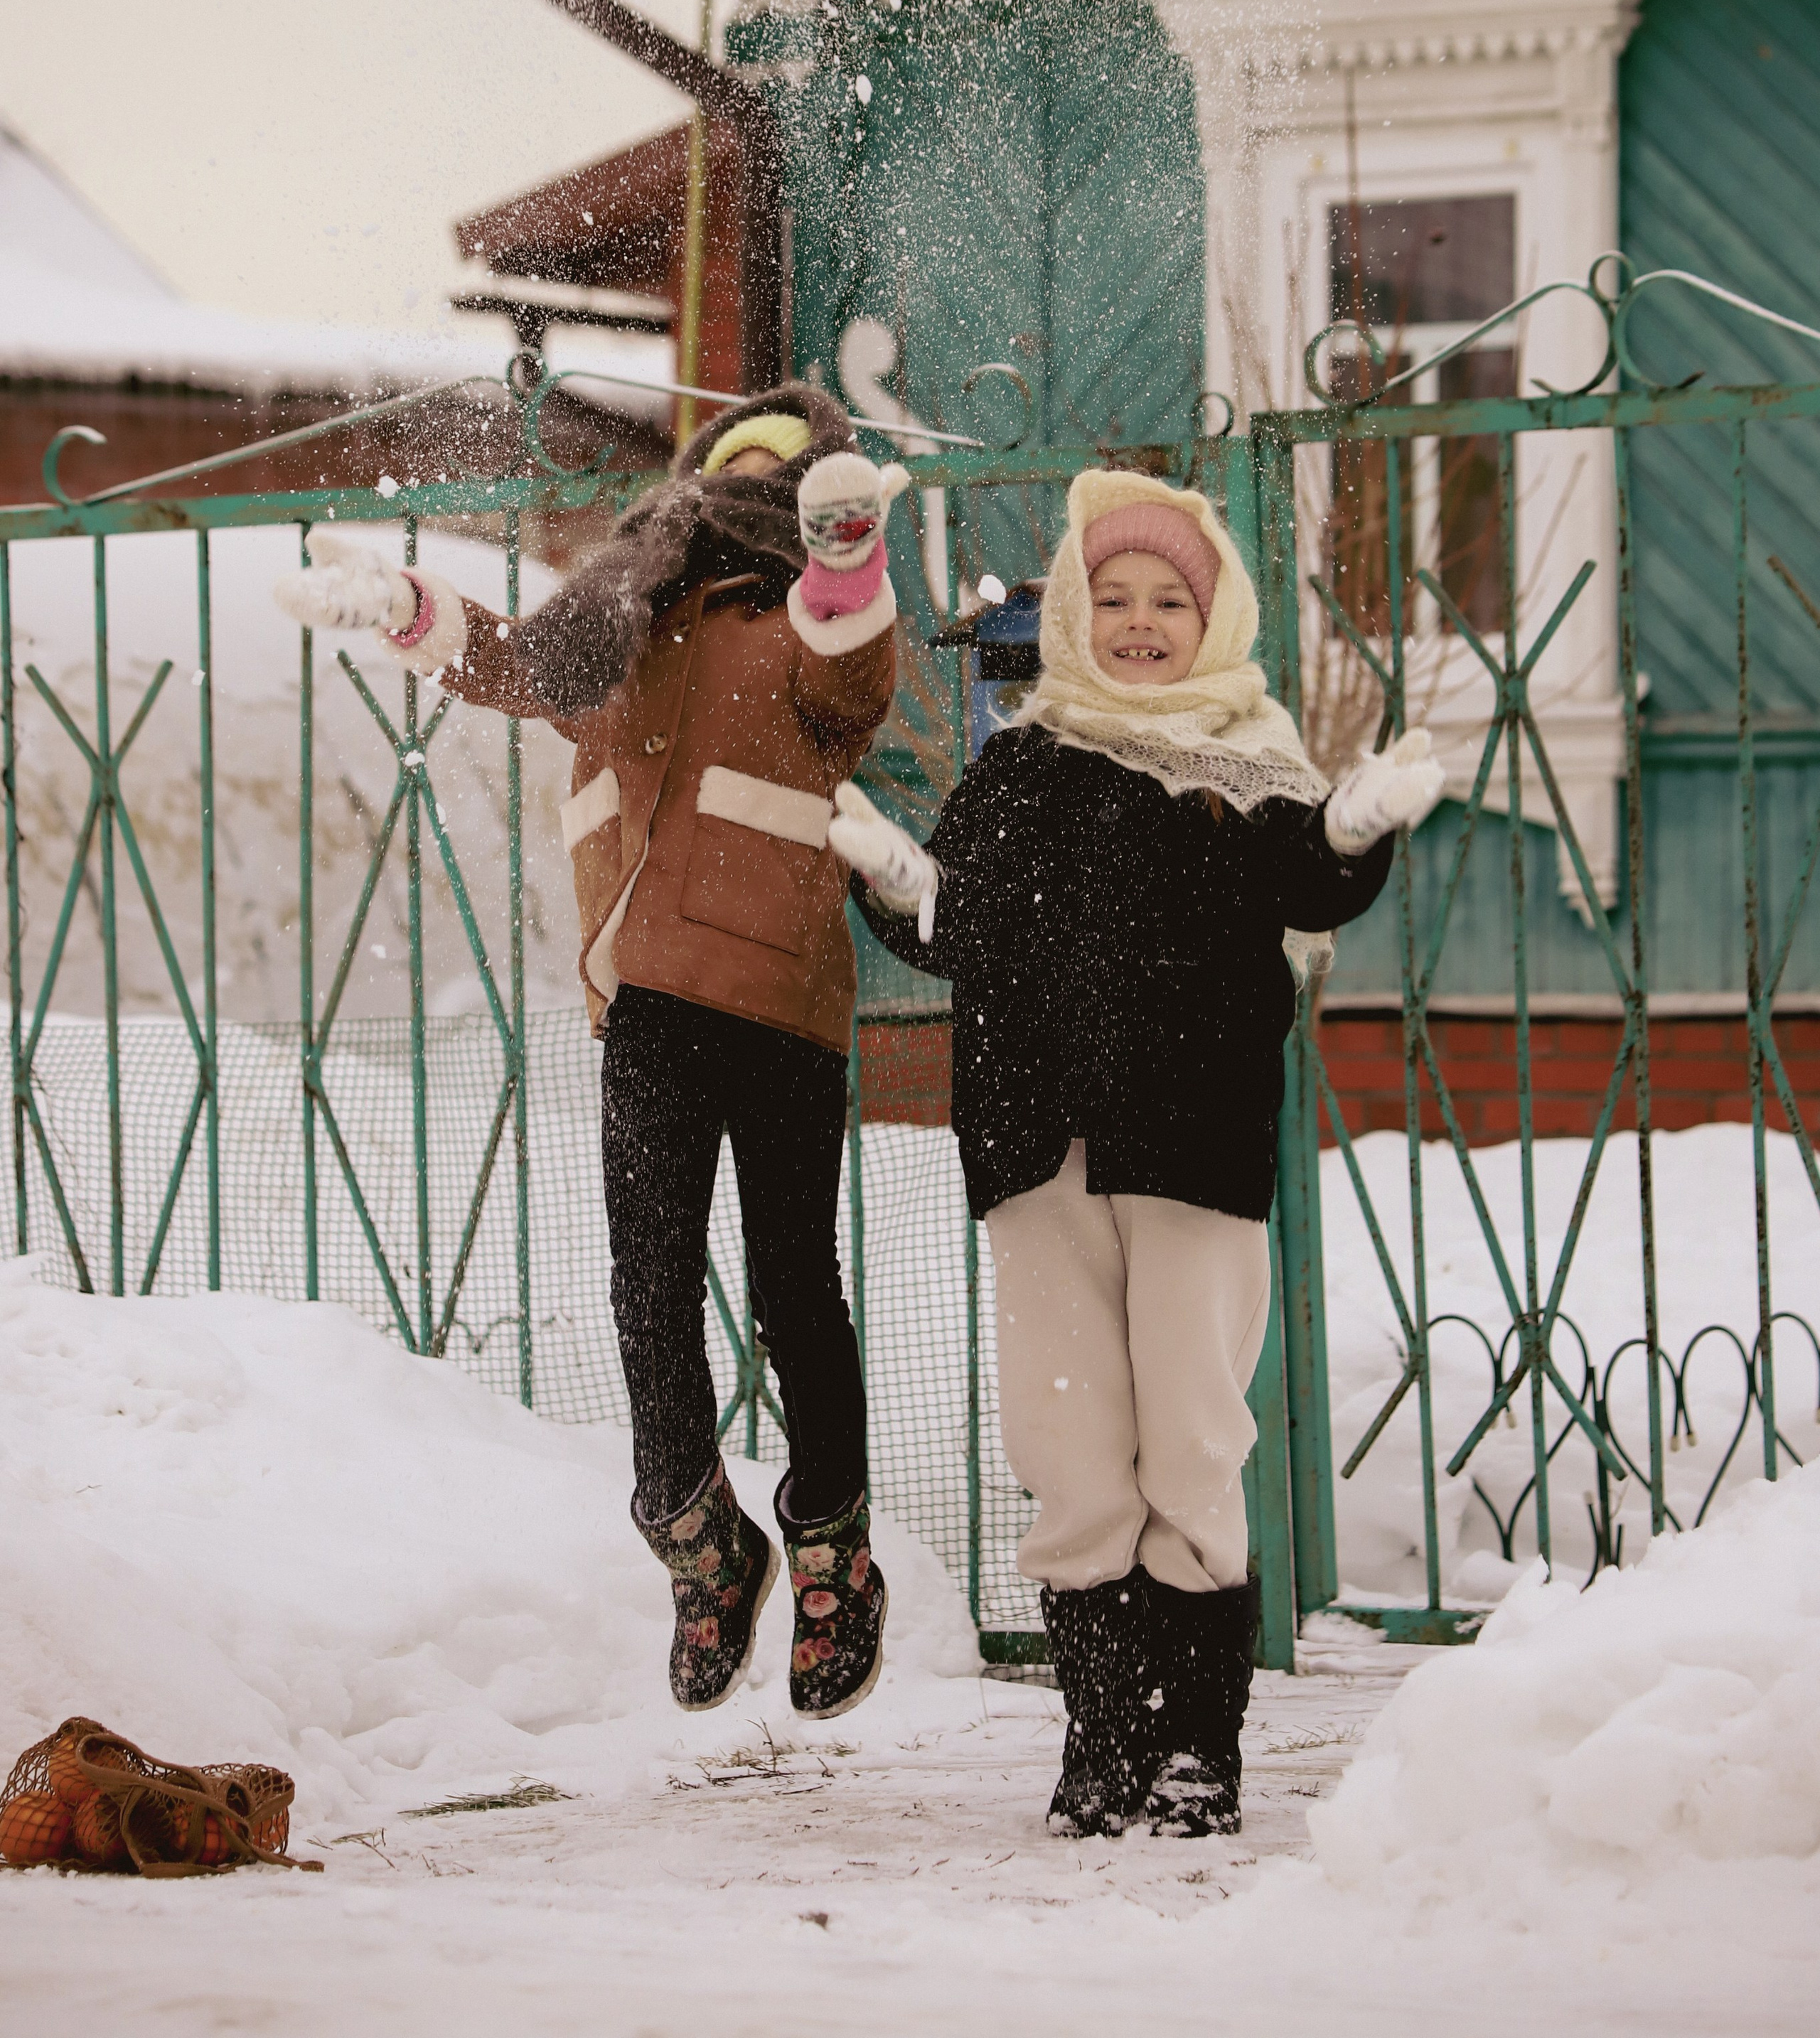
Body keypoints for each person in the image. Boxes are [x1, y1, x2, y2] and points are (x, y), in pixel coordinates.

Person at [274, 385, 906, 1722]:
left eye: (783, 484)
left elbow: (855, 675)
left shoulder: (799, 625)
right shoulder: (624, 619)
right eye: (729, 476)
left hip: (785, 999)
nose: (739, 502)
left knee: (796, 1284)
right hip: (650, 1000)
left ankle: (832, 1546)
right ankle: (699, 1541)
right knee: (647, 1288)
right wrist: (404, 611)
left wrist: (849, 559)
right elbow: (516, 667)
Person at [829, 468, 1443, 1836]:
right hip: (1039, 1156)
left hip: (1193, 1156)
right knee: (1072, 1447)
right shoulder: (1023, 767)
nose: (1142, 621)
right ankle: (1103, 1746)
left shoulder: (1247, 766)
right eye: (1113, 599)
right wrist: (895, 877)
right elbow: (960, 930)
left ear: (1214, 618)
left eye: (1171, 599)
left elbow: (1309, 875)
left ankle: (1194, 1757)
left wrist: (1351, 828)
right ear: (1074, 620)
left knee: (1191, 1439)